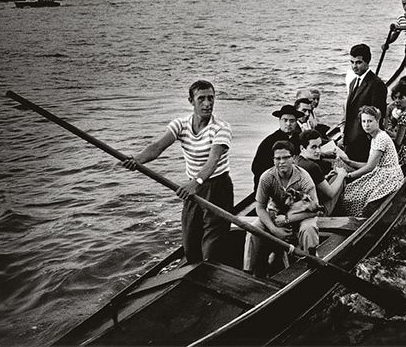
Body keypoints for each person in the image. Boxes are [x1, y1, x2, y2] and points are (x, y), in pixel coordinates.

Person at [122, 80, 233, 264]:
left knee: (212, 248)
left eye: (211, 98)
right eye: (201, 99)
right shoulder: (180, 124)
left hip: (217, 188)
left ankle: (211, 272)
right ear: (191, 101)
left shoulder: (221, 128)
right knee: (190, 245)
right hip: (194, 187)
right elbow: (157, 147)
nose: (207, 104)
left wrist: (195, 183)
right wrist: (137, 160)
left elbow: (212, 161)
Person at [250, 140, 320, 277]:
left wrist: (287, 220)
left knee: (309, 229)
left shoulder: (304, 178)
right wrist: (274, 229)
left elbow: (315, 209)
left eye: (285, 158)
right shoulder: (267, 178)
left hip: (301, 215)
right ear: (273, 160)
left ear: (293, 159)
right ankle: (254, 270)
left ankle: (312, 266)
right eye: (278, 158)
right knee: (254, 229)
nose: (281, 162)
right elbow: (260, 207)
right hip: (276, 215)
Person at [336, 106, 403, 217]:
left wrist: (347, 176)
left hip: (389, 177)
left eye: (370, 121)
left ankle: (358, 219)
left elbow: (369, 167)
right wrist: (349, 162)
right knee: (350, 191)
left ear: (377, 121)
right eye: (364, 121)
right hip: (382, 173)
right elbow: (369, 164)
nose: (366, 125)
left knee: (352, 196)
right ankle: (352, 216)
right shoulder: (375, 137)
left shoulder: (381, 138)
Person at [343, 43, 387, 162]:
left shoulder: (377, 85)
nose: (354, 66)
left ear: (367, 62)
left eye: (358, 62)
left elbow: (378, 116)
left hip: (364, 142)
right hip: (351, 139)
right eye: (351, 62)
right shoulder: (353, 82)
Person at [251, 105, 303, 192]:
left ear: (296, 122)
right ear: (279, 121)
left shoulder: (298, 138)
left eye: (292, 121)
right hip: (270, 186)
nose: (288, 124)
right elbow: (256, 168)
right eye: (285, 120)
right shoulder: (269, 142)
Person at [295, 129, 347, 216]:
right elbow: (330, 194)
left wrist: (326, 177)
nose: (318, 151)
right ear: (302, 148)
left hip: (300, 211)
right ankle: (341, 211)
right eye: (314, 147)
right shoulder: (312, 167)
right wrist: (341, 175)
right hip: (318, 213)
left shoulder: (296, 160)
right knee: (339, 178)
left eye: (319, 146)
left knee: (333, 177)